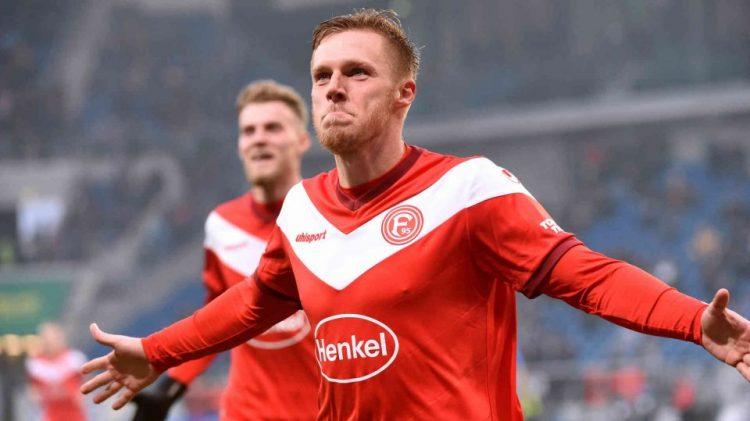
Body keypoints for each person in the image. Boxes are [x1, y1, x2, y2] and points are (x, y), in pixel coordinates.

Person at [80, 9, 750, 420]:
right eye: (321, 75)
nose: (333, 87)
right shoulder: (302, 208)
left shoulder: (469, 189)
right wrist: (157, 351)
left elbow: (587, 275)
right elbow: (255, 300)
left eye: (356, 72)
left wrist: (694, 322)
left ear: (404, 94)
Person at [130, 80, 317, 420]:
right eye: (249, 131)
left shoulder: (331, 217)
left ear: (302, 140)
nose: (259, 138)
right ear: (240, 146)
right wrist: (171, 388)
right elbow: (216, 318)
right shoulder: (222, 224)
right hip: (245, 413)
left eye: (273, 128)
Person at [26, 322, 87, 421]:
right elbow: (33, 392)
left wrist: (79, 395)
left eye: (52, 338)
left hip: (75, 415)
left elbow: (87, 384)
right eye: (45, 338)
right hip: (50, 415)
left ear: (60, 337)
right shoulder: (35, 363)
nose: (49, 342)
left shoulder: (75, 358)